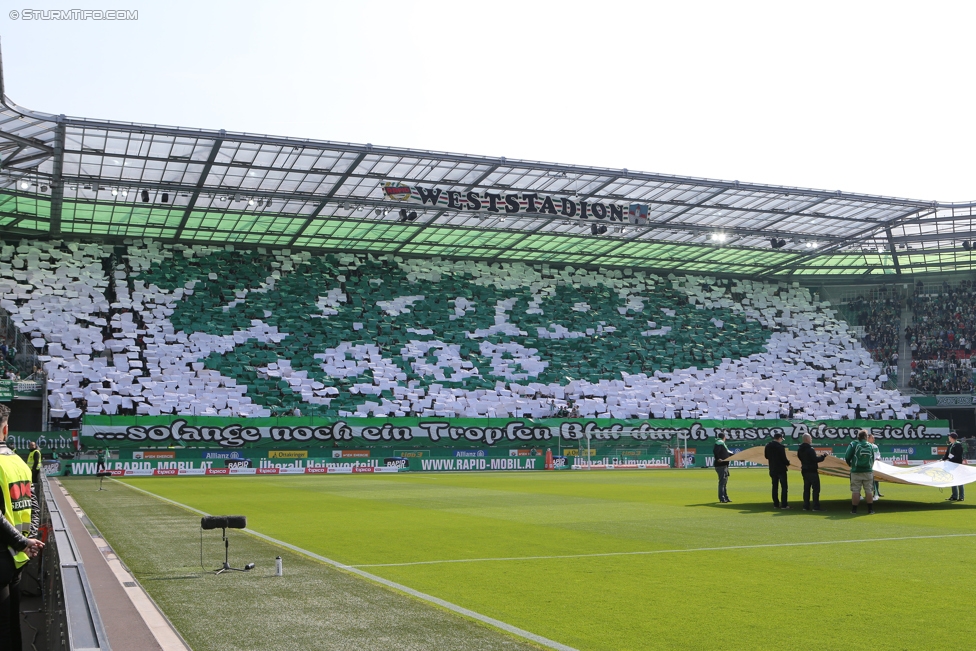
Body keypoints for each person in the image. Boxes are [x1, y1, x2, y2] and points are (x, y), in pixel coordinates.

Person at [0, 404, 44, 651]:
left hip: (6, 552)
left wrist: (21, 542)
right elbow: (34, 504)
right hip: (17, 558)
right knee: (11, 625)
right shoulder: (17, 461)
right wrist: (30, 540)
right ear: (6, 429)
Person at [845, 429, 876, 515]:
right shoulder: (870, 445)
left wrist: (851, 465)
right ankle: (870, 510)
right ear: (866, 437)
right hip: (868, 471)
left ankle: (854, 510)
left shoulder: (853, 444)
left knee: (855, 491)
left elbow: (847, 456)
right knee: (869, 490)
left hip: (856, 471)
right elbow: (873, 458)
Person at [797, 434, 827, 511]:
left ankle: (806, 506)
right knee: (816, 489)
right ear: (807, 439)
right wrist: (823, 456)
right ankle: (816, 506)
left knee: (806, 489)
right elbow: (815, 459)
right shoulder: (810, 449)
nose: (811, 439)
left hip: (804, 470)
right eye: (810, 438)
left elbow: (800, 458)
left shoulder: (800, 449)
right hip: (812, 471)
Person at [764, 432, 790, 508]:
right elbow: (783, 458)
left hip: (772, 468)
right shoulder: (780, 447)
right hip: (781, 469)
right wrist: (788, 463)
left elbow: (766, 456)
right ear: (779, 438)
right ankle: (784, 504)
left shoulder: (768, 446)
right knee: (784, 487)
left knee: (774, 487)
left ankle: (776, 504)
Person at [943, 432, 965, 502]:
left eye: (949, 437)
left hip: (957, 465)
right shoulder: (950, 445)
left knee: (959, 480)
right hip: (951, 465)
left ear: (952, 438)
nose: (948, 438)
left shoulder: (958, 445)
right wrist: (942, 459)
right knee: (952, 480)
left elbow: (958, 456)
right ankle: (954, 496)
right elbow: (947, 454)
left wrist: (949, 459)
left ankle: (961, 496)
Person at [712, 433, 733, 503]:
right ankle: (722, 498)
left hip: (724, 465)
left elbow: (728, 453)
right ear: (724, 437)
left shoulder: (721, 444)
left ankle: (725, 497)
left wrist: (739, 458)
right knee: (722, 482)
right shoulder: (719, 443)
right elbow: (715, 451)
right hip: (721, 465)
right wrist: (718, 458)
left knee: (724, 482)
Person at [868, 434, 883, 498]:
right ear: (868, 438)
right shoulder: (866, 446)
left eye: (874, 438)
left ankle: (877, 492)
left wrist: (878, 458)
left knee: (876, 479)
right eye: (872, 438)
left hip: (875, 465)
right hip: (869, 465)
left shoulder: (875, 446)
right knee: (869, 480)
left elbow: (878, 454)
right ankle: (870, 493)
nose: (874, 439)